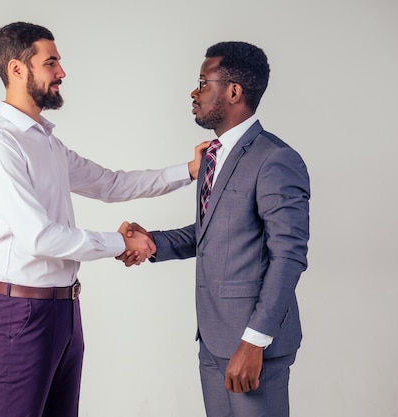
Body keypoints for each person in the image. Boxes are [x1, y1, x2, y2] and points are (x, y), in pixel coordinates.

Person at [0, 22, 208, 417]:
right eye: (51, 63)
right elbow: (40, 238)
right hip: (22, 313)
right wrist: (122, 243)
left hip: (64, 309)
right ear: (16, 69)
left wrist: (188, 170)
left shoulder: (46, 142)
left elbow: (110, 184)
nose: (61, 72)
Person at [120, 42, 310, 417]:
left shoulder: (275, 159)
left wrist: (254, 342)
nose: (195, 92)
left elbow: (288, 255)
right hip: (212, 339)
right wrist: (152, 243)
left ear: (234, 91)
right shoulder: (212, 156)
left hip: (253, 345)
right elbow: (211, 233)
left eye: (203, 83)